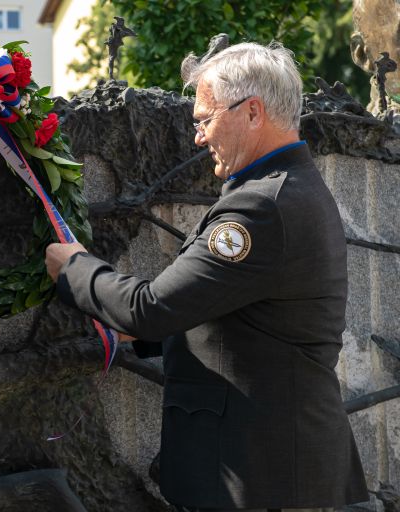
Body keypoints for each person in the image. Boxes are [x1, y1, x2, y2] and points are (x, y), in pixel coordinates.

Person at [45, 42, 369, 510]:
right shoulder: (288, 189)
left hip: (260, 474)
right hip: (272, 468)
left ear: (253, 112)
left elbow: (150, 309)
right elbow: (241, 312)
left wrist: (73, 267)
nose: (198, 137)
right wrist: (147, 343)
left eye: (204, 120)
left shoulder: (260, 206)